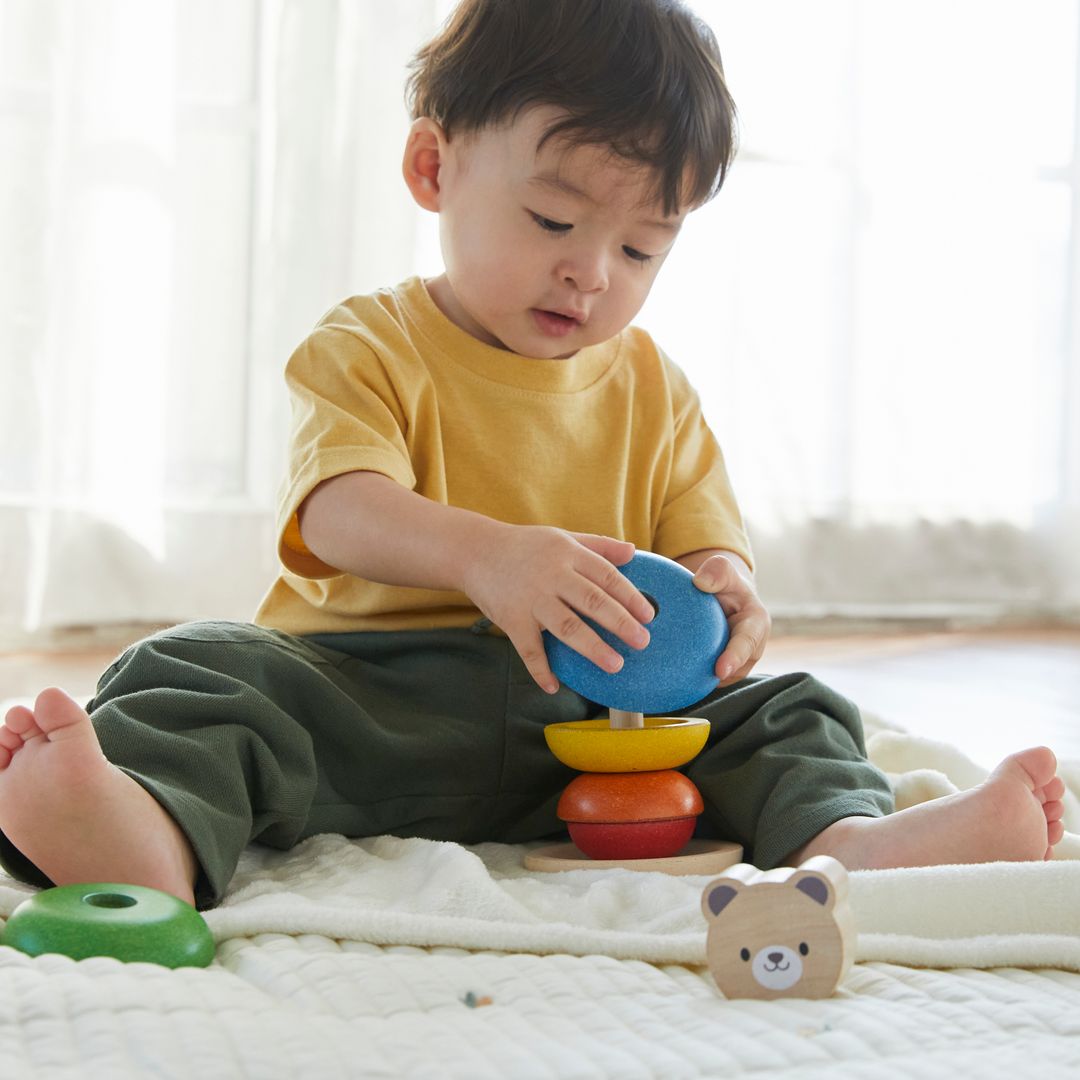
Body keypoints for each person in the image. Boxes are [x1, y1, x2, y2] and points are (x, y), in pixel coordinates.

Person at [0, 0, 1064, 910]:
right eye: (554, 219)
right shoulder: (367, 344)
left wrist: (727, 594)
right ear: (434, 167)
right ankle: (146, 838)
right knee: (197, 672)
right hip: (367, 702)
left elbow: (707, 557)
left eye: (641, 247)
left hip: (603, 729)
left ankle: (852, 845)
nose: (592, 273)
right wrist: (489, 557)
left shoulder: (654, 389)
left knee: (794, 709)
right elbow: (337, 507)